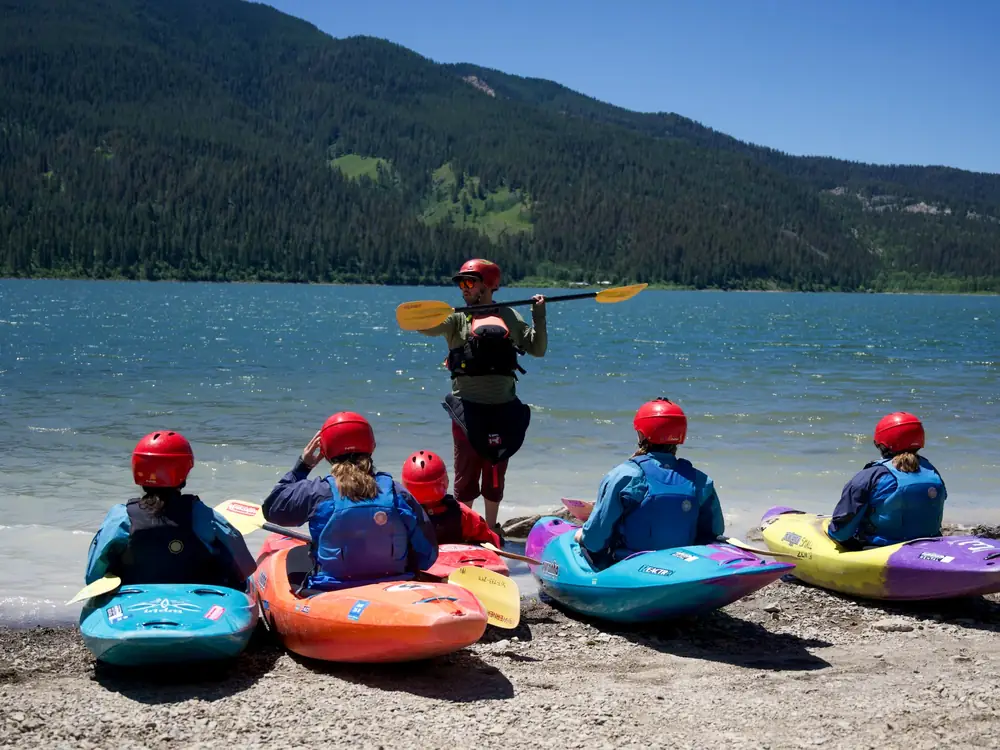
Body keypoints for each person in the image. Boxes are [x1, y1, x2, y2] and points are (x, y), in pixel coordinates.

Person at [415, 258, 547, 535]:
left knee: (495, 474)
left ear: (487, 286)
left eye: (469, 282)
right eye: (461, 282)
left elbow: (537, 348)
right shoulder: (456, 318)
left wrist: (539, 315)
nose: (463, 288)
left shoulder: (509, 316)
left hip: (503, 408)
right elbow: (425, 329)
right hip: (467, 409)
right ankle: (464, 526)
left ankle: (491, 528)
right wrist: (425, 316)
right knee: (465, 476)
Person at [261, 411, 438, 590]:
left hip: (333, 589)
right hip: (394, 584)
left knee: (294, 557)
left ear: (324, 451)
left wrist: (303, 467)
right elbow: (428, 555)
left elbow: (272, 509)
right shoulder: (397, 492)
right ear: (372, 446)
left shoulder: (317, 492)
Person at [85, 431, 256, 589]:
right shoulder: (206, 516)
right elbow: (245, 568)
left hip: (134, 598)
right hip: (199, 598)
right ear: (184, 471)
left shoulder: (121, 517)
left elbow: (93, 575)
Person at [574, 398, 725, 568]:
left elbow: (595, 541)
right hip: (683, 567)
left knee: (578, 542)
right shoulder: (701, 480)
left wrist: (582, 535)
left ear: (641, 434)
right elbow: (714, 533)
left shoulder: (624, 475)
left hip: (630, 565)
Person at [826, 411, 946, 549]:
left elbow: (841, 533)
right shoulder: (932, 472)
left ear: (880, 444)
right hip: (930, 545)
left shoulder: (871, 476)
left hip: (882, 549)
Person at [401, 449, 503, 548]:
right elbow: (492, 540)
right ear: (445, 482)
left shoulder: (400, 514)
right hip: (457, 563)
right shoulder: (462, 514)